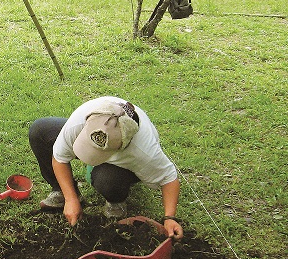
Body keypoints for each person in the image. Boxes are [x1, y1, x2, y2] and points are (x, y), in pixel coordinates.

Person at [28, 96, 183, 240]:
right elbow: (59, 158)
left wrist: (169, 218)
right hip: (96, 132)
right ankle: (61, 191)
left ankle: (116, 201)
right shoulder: (82, 120)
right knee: (40, 130)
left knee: (107, 180)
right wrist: (71, 198)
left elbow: (169, 178)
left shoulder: (142, 151)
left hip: (120, 166)